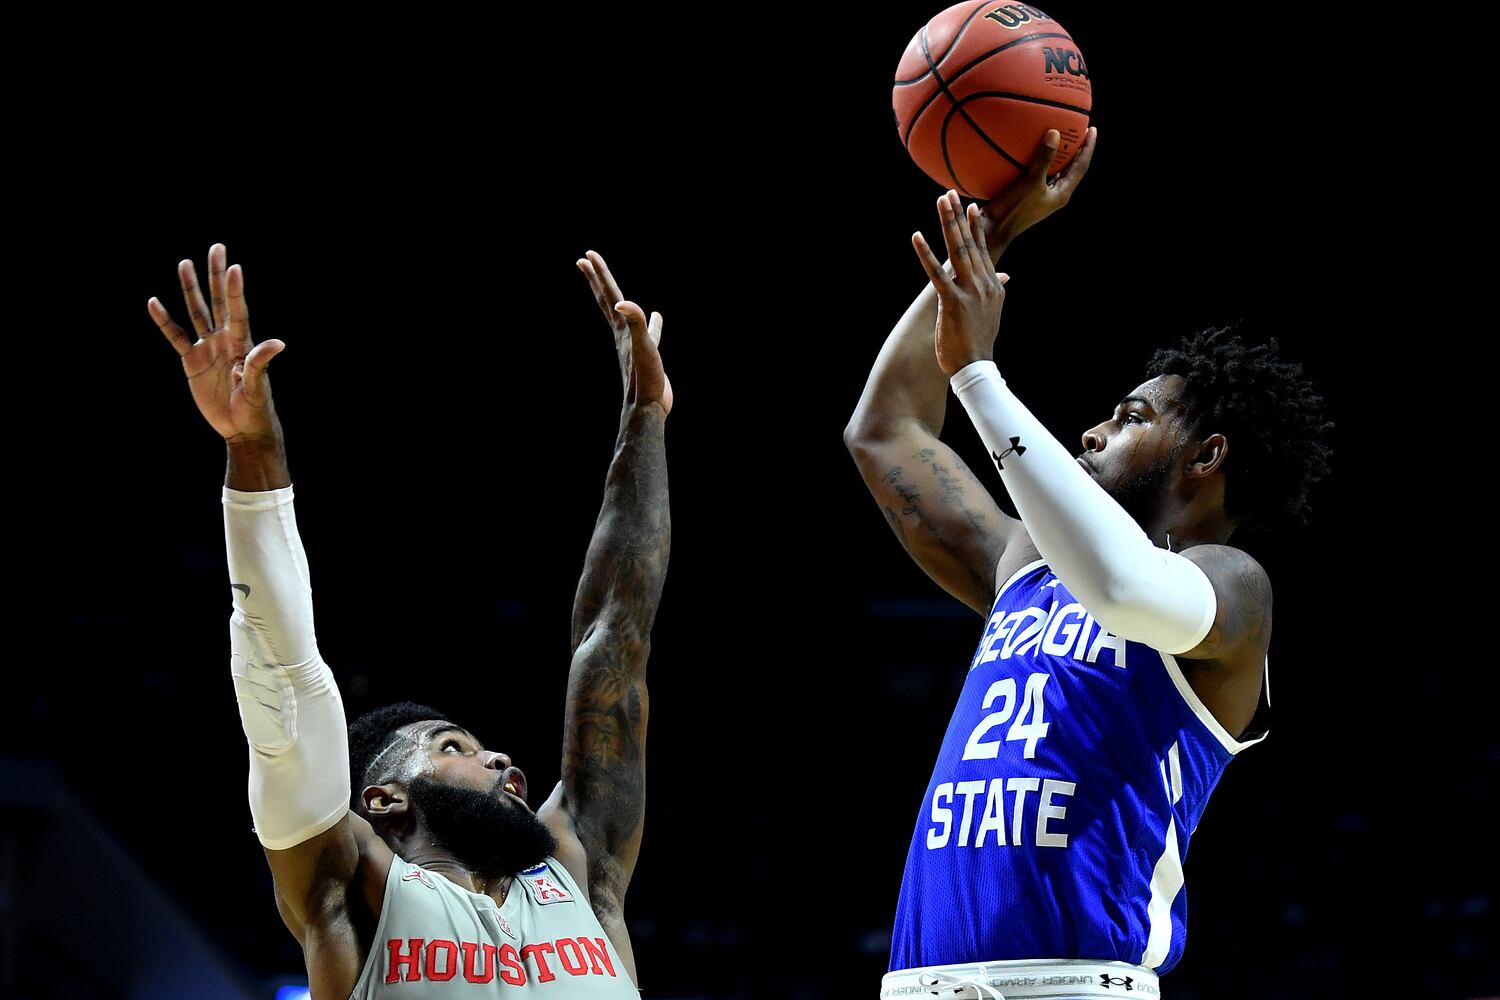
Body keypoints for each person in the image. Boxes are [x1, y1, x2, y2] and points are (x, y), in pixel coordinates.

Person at [844, 129, 1331, 998]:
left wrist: (979, 375)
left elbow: (1123, 588)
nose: (1094, 432)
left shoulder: (1232, 587)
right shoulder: (1026, 565)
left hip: (1075, 983)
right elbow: (885, 433)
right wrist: (993, 235)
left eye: (1132, 417)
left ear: (1206, 457)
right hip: (920, 984)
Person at [148, 245, 672, 998]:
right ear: (384, 799)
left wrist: (644, 420)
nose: (503, 761)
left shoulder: (578, 872)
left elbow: (615, 638)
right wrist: (252, 447)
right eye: (455, 747)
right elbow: (283, 674)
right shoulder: (352, 886)